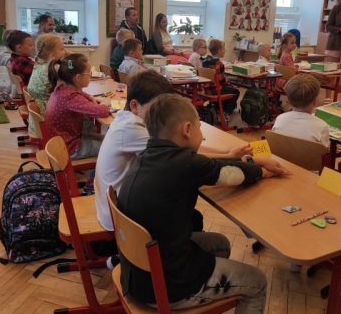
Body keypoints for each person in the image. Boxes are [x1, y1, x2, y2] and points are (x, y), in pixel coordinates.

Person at [117, 93, 291, 312]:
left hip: (137, 275)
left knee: (220, 244)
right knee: (257, 282)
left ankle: (208, 294)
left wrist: (253, 160)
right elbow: (230, 174)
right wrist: (263, 172)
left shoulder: (147, 155)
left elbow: (211, 164)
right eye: (200, 128)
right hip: (167, 286)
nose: (202, 136)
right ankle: (198, 292)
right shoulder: (184, 163)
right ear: (187, 129)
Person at [95, 70, 252, 232]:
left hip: (117, 205)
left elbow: (180, 149)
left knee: (191, 213)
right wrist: (229, 156)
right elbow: (182, 154)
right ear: (135, 106)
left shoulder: (128, 119)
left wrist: (224, 151)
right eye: (157, 106)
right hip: (121, 218)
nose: (163, 112)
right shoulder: (132, 129)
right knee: (187, 209)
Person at [46, 53, 110, 193]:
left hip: (66, 141)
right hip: (70, 148)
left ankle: (92, 182)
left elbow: (80, 94)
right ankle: (91, 186)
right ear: (78, 78)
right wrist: (105, 104)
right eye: (89, 73)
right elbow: (102, 112)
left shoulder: (63, 87)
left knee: (108, 140)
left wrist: (90, 98)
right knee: (110, 148)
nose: (90, 76)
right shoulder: (70, 97)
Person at [272, 74, 330, 147]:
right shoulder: (321, 126)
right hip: (308, 155)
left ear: (289, 101)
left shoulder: (280, 119)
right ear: (315, 101)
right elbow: (324, 149)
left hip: (280, 154)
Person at [27, 34, 66, 134]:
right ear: (50, 53)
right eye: (62, 49)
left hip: (38, 120)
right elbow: (73, 72)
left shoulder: (38, 64)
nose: (65, 51)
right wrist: (69, 60)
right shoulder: (55, 68)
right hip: (50, 116)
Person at [202, 38, 240, 115]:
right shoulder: (218, 64)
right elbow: (222, 82)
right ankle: (226, 111)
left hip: (206, 89)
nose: (225, 51)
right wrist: (231, 84)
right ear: (219, 51)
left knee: (228, 88)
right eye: (224, 49)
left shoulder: (205, 61)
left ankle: (217, 107)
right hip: (215, 90)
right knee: (236, 91)